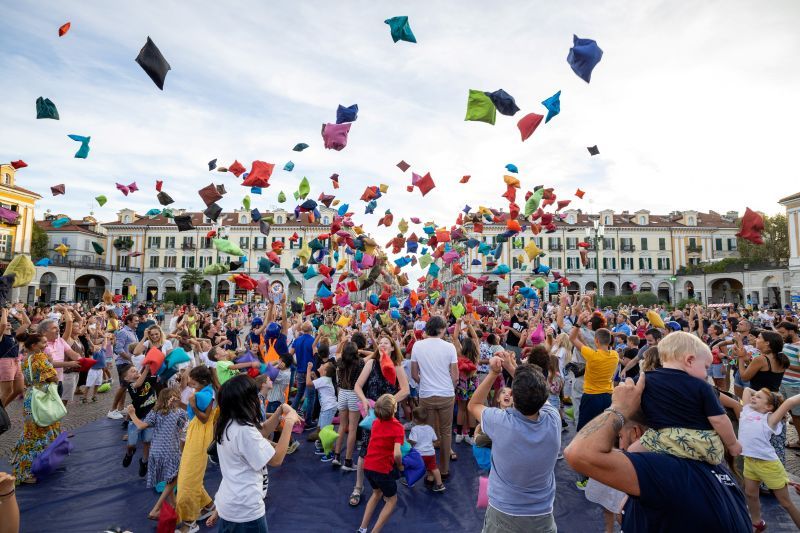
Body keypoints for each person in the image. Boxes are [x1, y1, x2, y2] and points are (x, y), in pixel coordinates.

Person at [564, 374, 752, 532]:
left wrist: (619, 408)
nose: (620, 445)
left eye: (620, 437)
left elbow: (578, 453)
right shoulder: (708, 463)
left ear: (637, 433)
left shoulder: (663, 469)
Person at [468, 355, 560, 533]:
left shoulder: (501, 422)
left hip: (503, 515)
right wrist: (513, 368)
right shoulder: (553, 419)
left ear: (512, 396)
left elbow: (474, 405)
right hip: (542, 517)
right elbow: (535, 390)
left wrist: (494, 373)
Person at [629, 331, 741, 464]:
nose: (706, 374)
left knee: (631, 453)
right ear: (689, 360)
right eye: (705, 367)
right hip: (699, 443)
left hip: (661, 438)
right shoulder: (701, 386)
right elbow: (719, 420)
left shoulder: (644, 379)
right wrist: (733, 444)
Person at [208, 374, 301, 533]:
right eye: (254, 396)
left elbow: (262, 431)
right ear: (246, 401)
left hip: (230, 504)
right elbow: (277, 459)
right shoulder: (244, 431)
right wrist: (289, 423)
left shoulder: (229, 423)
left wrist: (279, 411)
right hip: (245, 510)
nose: (258, 400)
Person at [719, 387, 800, 530]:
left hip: (768, 465)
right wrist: (761, 394)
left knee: (785, 502)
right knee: (750, 495)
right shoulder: (746, 411)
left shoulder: (769, 419)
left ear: (768, 407)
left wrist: (770, 396)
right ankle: (757, 523)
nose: (753, 397)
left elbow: (789, 402)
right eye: (754, 396)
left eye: (758, 397)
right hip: (750, 462)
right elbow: (747, 390)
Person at [351, 332, 409, 507]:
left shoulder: (397, 366)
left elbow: (405, 390)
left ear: (392, 347)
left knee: (390, 451)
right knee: (365, 450)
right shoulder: (371, 363)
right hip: (372, 416)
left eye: (387, 343)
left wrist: (391, 402)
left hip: (390, 415)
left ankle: (384, 487)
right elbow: (357, 386)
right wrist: (363, 401)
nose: (383, 345)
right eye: (380, 342)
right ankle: (358, 487)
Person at [11, 332, 70, 484]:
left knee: (31, 433)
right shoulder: (40, 358)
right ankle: (25, 473)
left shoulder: (26, 359)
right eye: (43, 343)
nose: (46, 345)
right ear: (33, 346)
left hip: (31, 397)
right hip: (42, 398)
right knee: (39, 433)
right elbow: (53, 377)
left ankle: (29, 465)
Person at [126, 388, 188, 520]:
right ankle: (156, 509)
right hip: (170, 451)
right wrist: (180, 405)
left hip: (155, 452)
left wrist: (132, 414)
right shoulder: (179, 412)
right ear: (174, 399)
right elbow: (188, 418)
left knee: (168, 479)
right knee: (175, 478)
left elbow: (141, 426)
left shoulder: (155, 412)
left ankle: (174, 505)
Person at [411, 315, 458, 477]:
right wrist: (448, 388)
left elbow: (414, 374)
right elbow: (455, 376)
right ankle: (444, 470)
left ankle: (431, 472)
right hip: (446, 394)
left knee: (427, 433)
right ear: (441, 329)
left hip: (426, 395)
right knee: (446, 433)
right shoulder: (449, 347)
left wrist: (424, 384)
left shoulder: (418, 346)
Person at [175, 365, 218, 533]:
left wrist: (192, 404)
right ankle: (208, 506)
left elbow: (204, 417)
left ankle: (189, 522)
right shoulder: (207, 392)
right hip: (199, 435)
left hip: (198, 436)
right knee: (192, 475)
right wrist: (181, 403)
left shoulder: (202, 395)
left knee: (187, 481)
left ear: (200, 380)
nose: (188, 380)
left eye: (191, 377)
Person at [358, 394, 405, 533]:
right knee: (392, 500)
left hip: (368, 466)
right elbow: (397, 453)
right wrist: (400, 465)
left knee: (376, 493)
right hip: (382, 469)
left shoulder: (375, 423)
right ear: (394, 409)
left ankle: (362, 528)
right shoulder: (398, 428)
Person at [120, 364, 158, 477]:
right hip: (136, 418)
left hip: (150, 417)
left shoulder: (148, 380)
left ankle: (144, 462)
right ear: (126, 378)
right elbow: (138, 384)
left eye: (137, 370)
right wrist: (146, 369)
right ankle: (129, 453)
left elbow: (160, 375)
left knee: (147, 441)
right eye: (132, 371)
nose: (136, 372)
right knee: (131, 444)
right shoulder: (131, 385)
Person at [332, 340, 363, 471]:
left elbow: (337, 352)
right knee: (352, 429)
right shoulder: (360, 363)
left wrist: (343, 340)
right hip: (353, 394)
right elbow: (373, 356)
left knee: (342, 426)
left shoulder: (339, 361)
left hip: (342, 394)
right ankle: (348, 461)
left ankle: (337, 456)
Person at [109, 314, 139, 419]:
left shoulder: (133, 332)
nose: (137, 322)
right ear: (129, 322)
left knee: (125, 386)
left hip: (129, 363)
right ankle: (112, 410)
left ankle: (120, 408)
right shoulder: (123, 332)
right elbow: (118, 349)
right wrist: (131, 359)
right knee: (123, 386)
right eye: (135, 320)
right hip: (123, 363)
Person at [407, 406, 445, 492]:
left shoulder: (414, 429)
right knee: (434, 468)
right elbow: (435, 440)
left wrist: (407, 441)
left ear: (415, 419)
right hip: (431, 453)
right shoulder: (430, 428)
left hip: (419, 454)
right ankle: (439, 484)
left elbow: (414, 441)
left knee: (414, 468)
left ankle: (410, 481)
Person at [776, 321, 800, 448]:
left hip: (795, 386)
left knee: (797, 415)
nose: (781, 335)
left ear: (791, 331)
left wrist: (785, 364)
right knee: (792, 413)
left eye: (783, 333)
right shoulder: (787, 344)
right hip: (784, 383)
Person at [0, 307, 29, 409]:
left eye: (9, 322)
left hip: (16, 362)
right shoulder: (1, 336)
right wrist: (4, 312)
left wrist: (22, 311)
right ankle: (1, 412)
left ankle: (2, 409)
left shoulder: (14, 335)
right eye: (5, 322)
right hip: (5, 362)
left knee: (19, 389)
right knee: (7, 390)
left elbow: (27, 323)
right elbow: (3, 324)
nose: (7, 323)